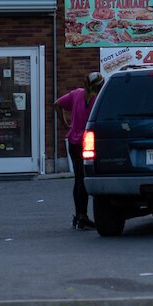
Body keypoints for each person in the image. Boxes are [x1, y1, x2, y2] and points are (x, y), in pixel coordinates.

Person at [54, 71, 103, 230]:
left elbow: (57, 104)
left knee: (78, 179)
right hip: (89, 142)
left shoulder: (76, 94)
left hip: (73, 142)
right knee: (88, 179)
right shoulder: (98, 100)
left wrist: (64, 123)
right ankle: (84, 217)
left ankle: (79, 215)